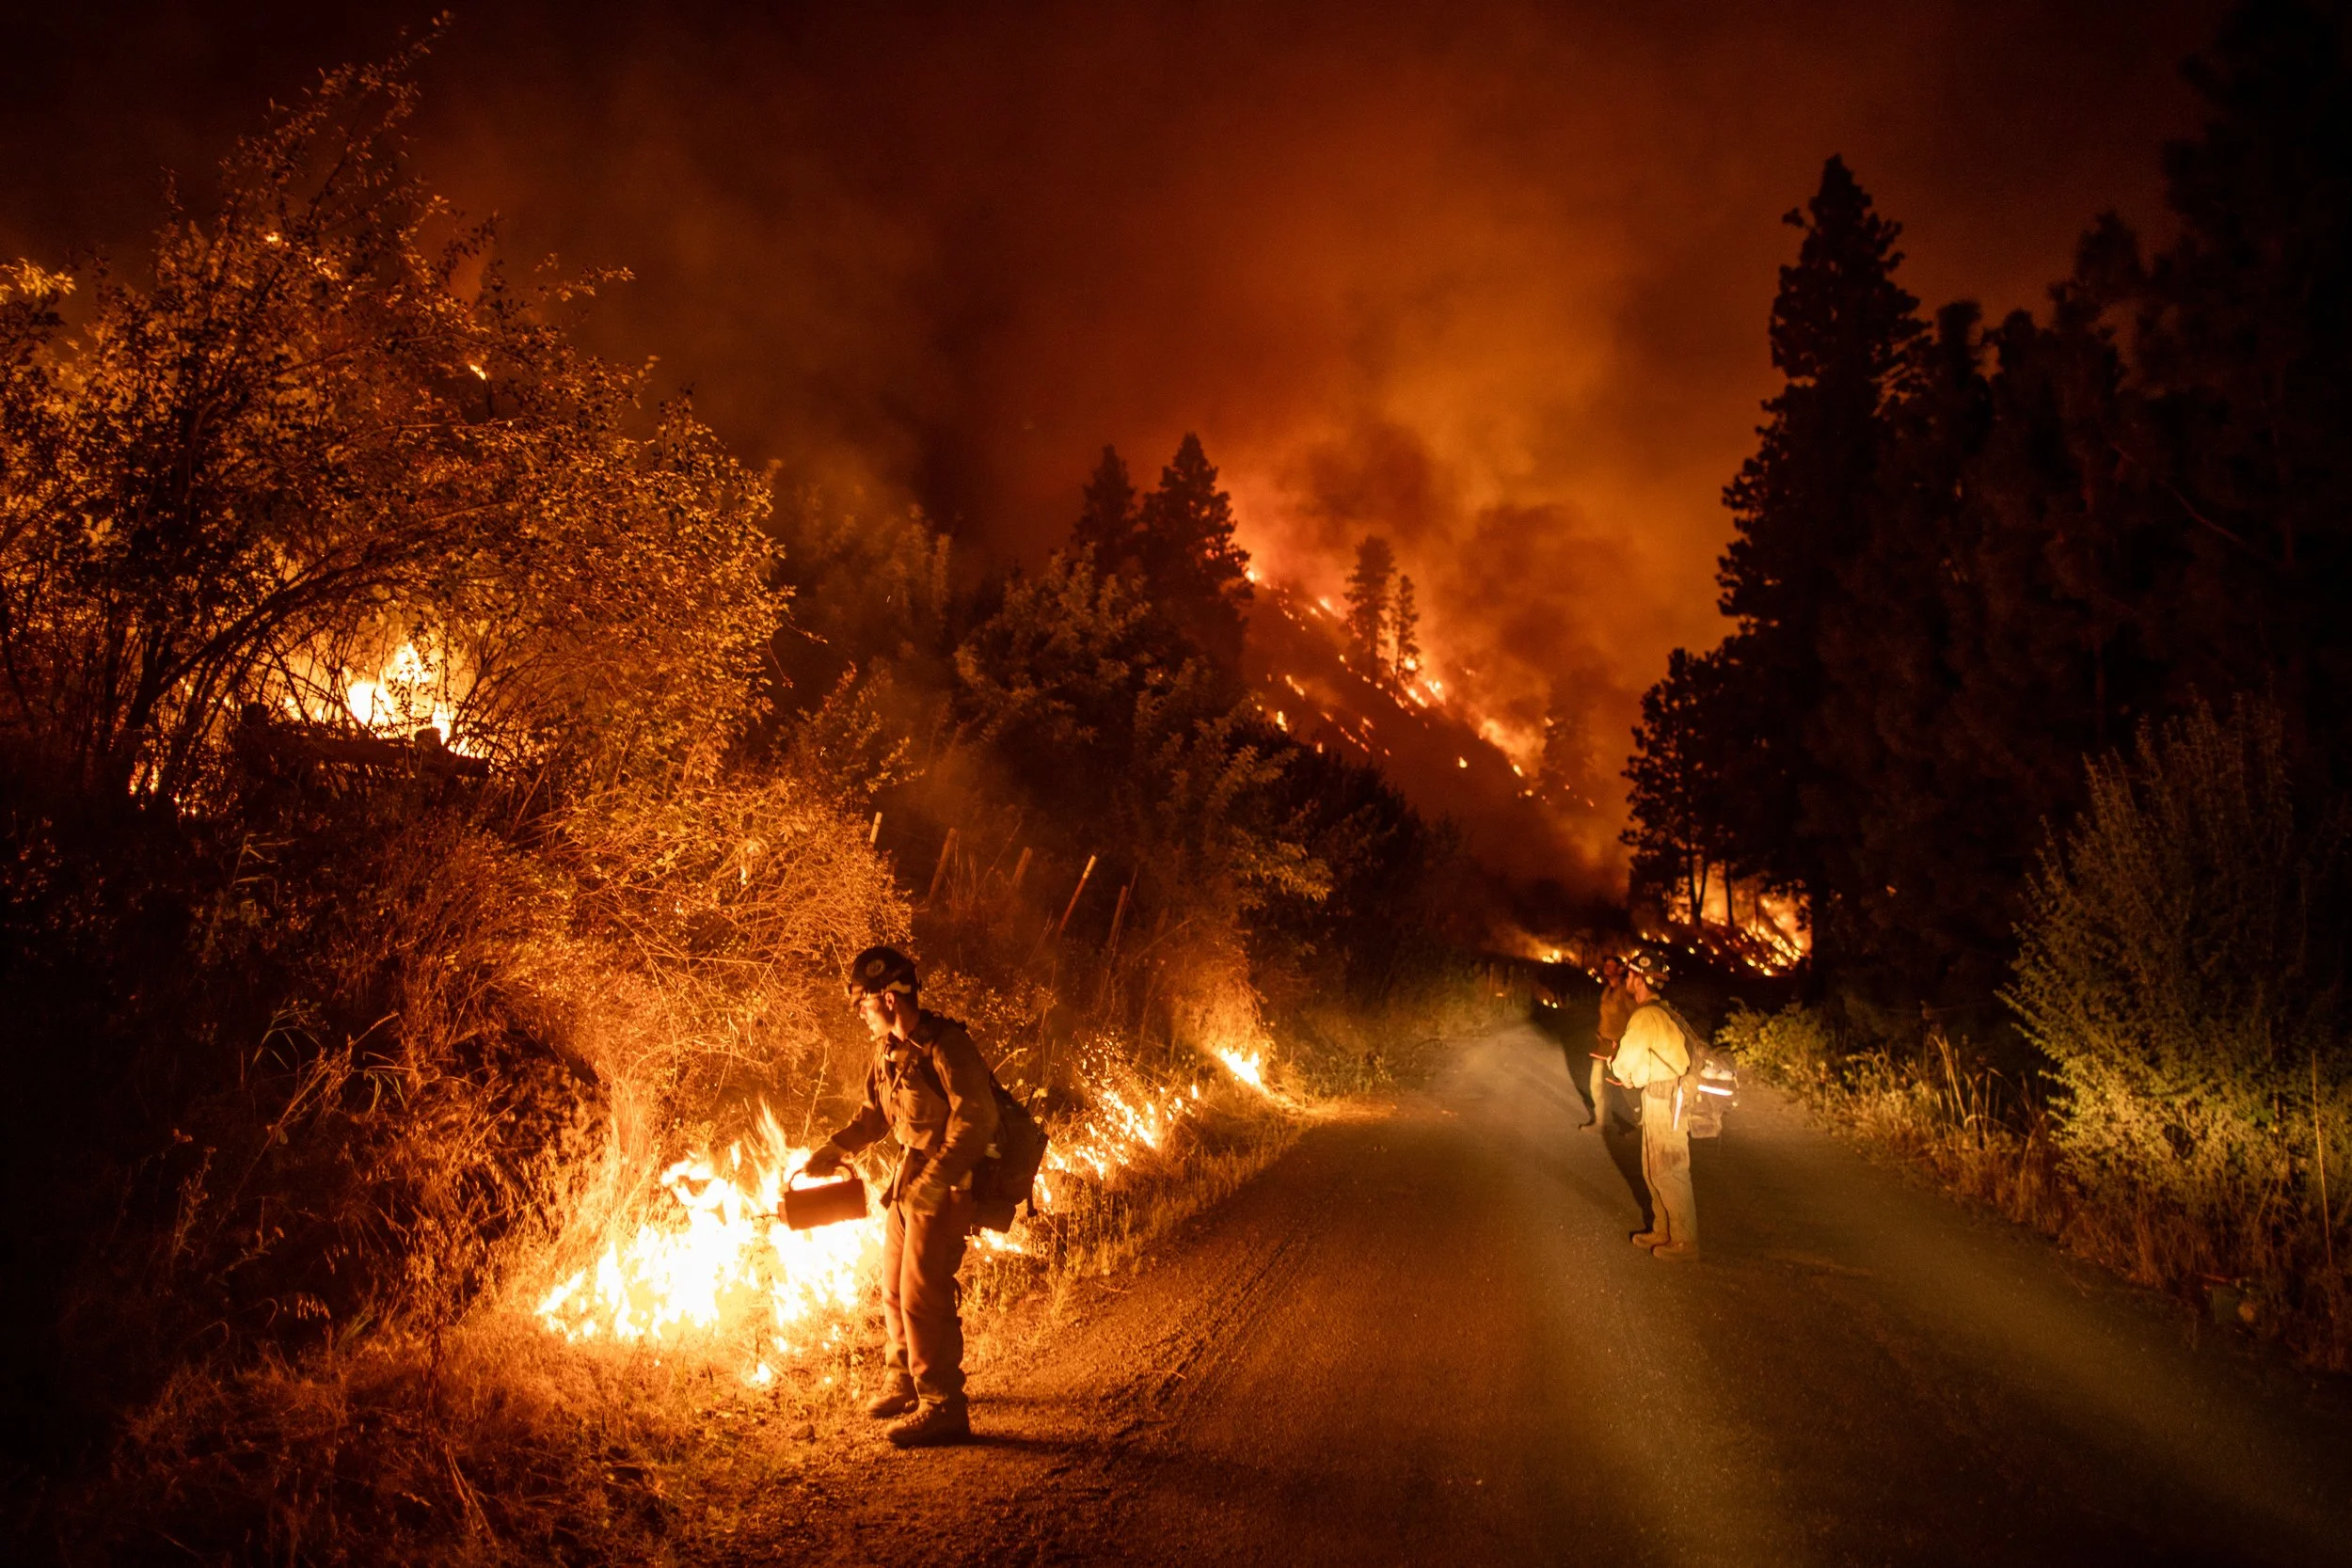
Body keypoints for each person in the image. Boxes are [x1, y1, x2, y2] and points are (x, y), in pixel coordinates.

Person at [803, 946, 1000, 1447]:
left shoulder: (947, 1047)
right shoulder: (889, 1049)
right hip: (908, 1175)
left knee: (921, 1293)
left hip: (946, 1181)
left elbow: (977, 1119)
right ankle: (904, 1379)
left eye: (863, 1005)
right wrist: (835, 1147)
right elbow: (875, 1115)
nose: (861, 1015)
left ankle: (943, 1405)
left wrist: (937, 1179)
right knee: (891, 1286)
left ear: (888, 998)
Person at [1607, 954, 1700, 1259]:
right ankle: (1664, 1230)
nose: (1627, 980)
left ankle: (1685, 1242)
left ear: (1640, 979)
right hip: (1662, 1095)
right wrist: (1635, 1076)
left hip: (1666, 1100)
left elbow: (1625, 1061)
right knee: (1654, 1169)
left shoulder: (1646, 1016)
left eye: (1630, 975)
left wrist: (1620, 1070)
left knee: (1669, 1169)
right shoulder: (1663, 1012)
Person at [1582, 955, 1637, 1132]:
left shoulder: (1625, 992)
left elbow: (1635, 1017)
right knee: (1597, 1084)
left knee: (1628, 1088)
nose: (1606, 968)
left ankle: (1641, 1129)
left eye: (1611, 966)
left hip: (1618, 1046)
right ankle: (1603, 1123)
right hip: (1603, 1045)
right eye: (1605, 965)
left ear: (1620, 970)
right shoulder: (1607, 990)